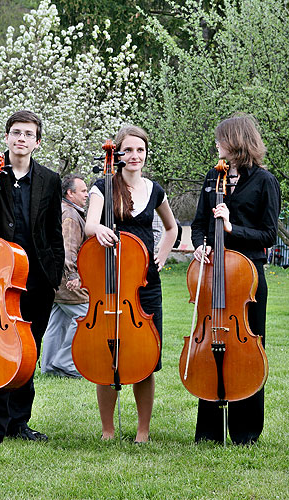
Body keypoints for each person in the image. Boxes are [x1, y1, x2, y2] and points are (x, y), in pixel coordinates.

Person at [0, 110, 64, 447]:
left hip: (36, 279)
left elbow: (53, 232)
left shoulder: (49, 180)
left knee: (27, 354)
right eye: (15, 132)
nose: (21, 138)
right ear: (7, 137)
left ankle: (19, 423)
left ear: (37, 142)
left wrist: (55, 275)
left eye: (28, 134)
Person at [190, 113, 281, 445]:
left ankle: (245, 432)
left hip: (248, 280)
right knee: (210, 342)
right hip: (214, 275)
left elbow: (268, 234)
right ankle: (209, 432)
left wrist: (231, 229)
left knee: (247, 350)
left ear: (238, 140)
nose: (217, 143)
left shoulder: (265, 182)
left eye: (222, 138)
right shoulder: (213, 177)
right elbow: (200, 222)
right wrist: (202, 245)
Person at [85, 125, 178, 443]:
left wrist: (161, 256)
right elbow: (89, 225)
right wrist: (99, 230)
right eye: (128, 150)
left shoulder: (155, 190)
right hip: (109, 282)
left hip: (144, 284)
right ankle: (108, 430)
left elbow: (171, 227)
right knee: (105, 353)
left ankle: (143, 430)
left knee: (145, 358)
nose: (135, 155)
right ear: (118, 154)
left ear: (146, 153)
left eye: (140, 150)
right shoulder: (102, 186)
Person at [41, 174, 89, 378]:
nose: (87, 195)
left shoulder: (60, 210)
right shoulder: (69, 215)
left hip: (53, 278)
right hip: (65, 279)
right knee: (87, 316)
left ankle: (49, 366)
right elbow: (68, 248)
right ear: (70, 193)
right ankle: (65, 363)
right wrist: (72, 275)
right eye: (83, 191)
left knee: (57, 320)